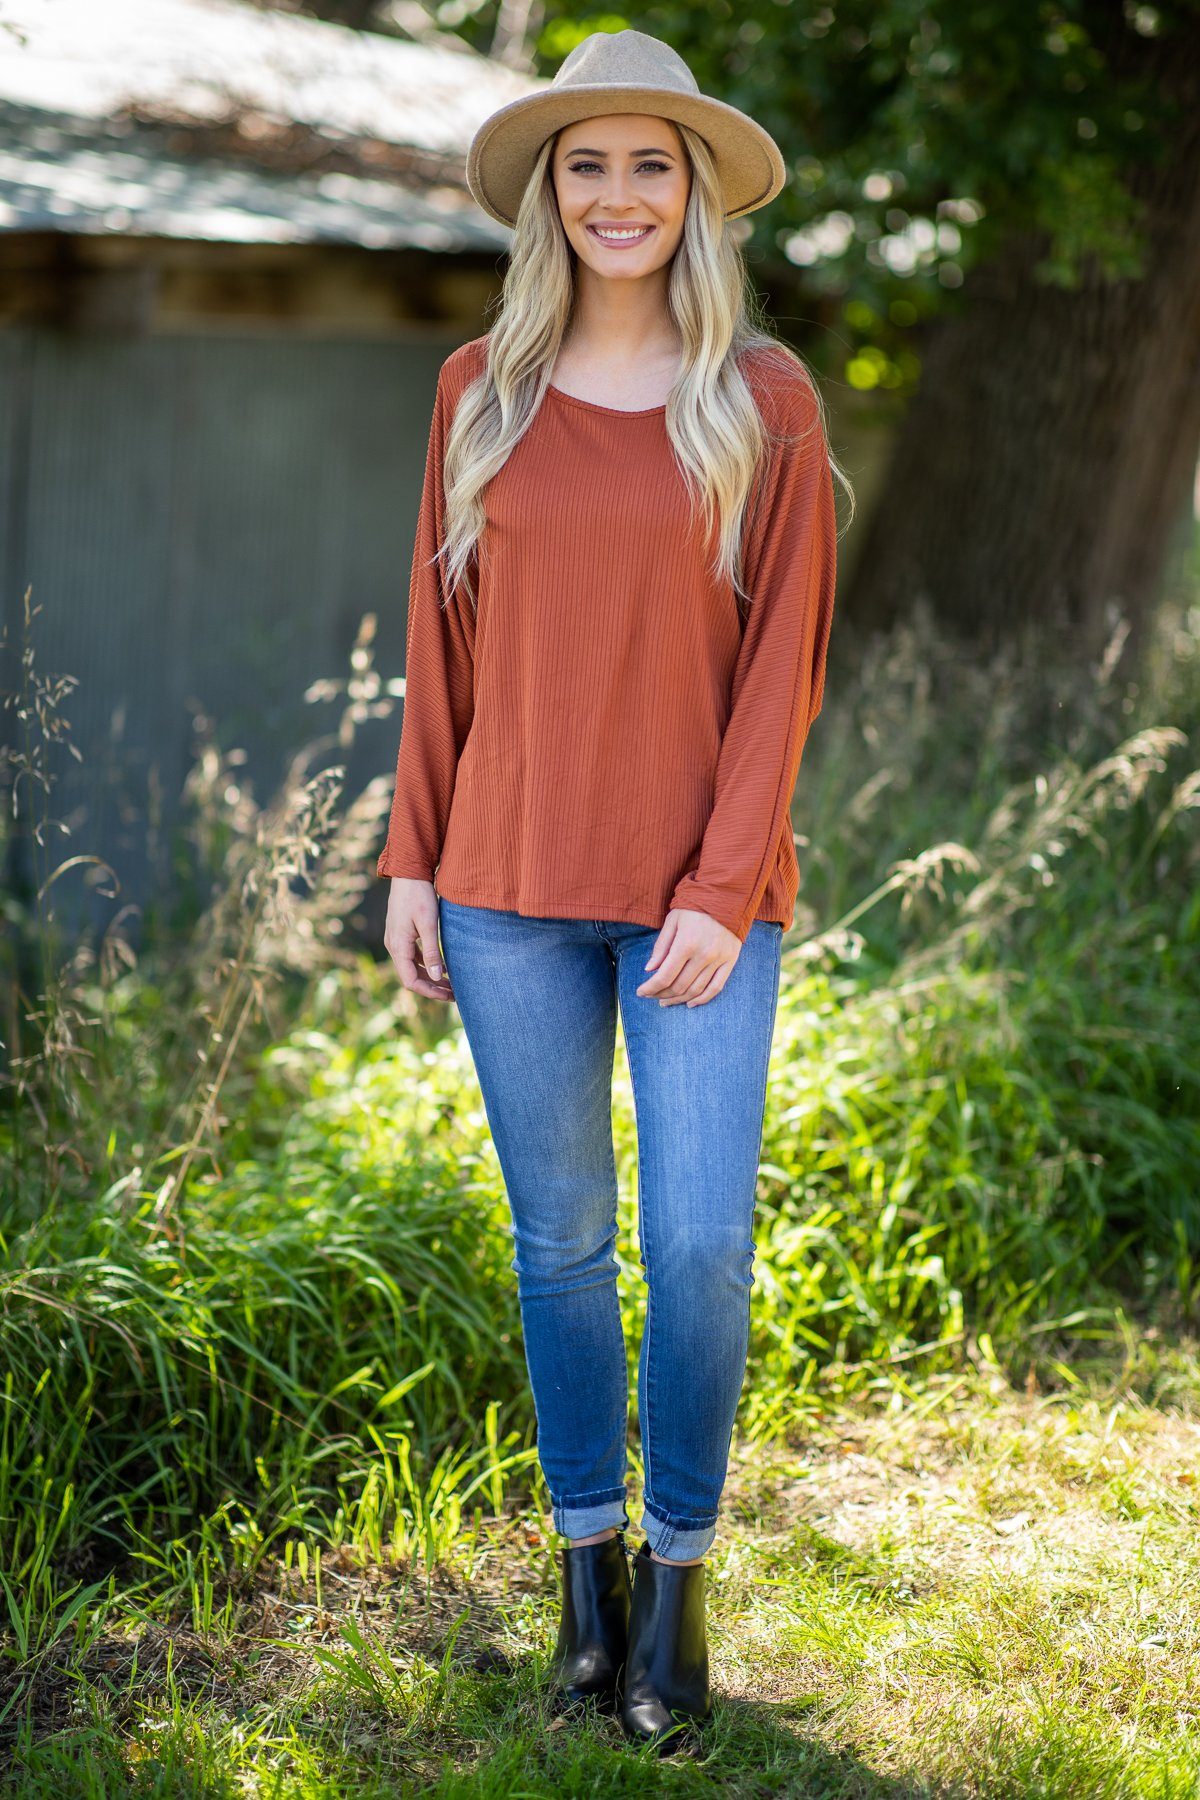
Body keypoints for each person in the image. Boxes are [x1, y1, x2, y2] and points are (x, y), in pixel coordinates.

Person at [377, 27, 847, 1754]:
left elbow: (781, 669)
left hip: (703, 905)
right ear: (549, 194)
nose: (621, 194)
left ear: (698, 190)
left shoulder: (768, 400)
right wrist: (412, 856)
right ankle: (583, 1585)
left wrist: (725, 888)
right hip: (503, 884)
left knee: (704, 1246)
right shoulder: (475, 394)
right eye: (589, 164)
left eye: (653, 163)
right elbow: (438, 645)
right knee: (563, 1247)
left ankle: (681, 1582)